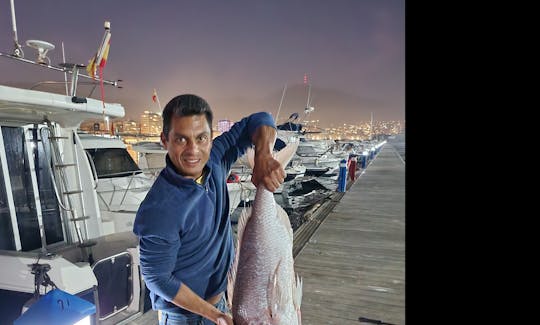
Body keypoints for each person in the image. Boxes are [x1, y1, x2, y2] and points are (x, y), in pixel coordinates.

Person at [133, 94, 285, 325]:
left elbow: (261, 119)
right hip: (186, 317)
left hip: (223, 301)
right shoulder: (159, 210)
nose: (194, 150)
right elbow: (157, 278)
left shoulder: (214, 160)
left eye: (201, 138)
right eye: (181, 140)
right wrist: (214, 315)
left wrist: (264, 154)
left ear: (211, 138)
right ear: (165, 140)